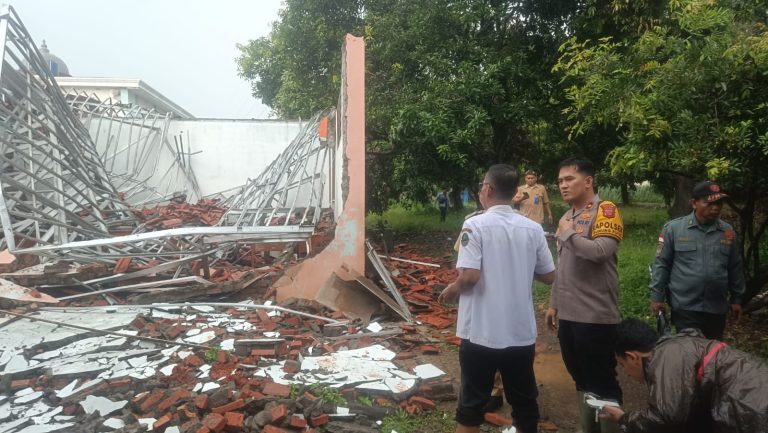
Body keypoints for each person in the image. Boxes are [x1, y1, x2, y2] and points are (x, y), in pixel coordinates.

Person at [439, 164, 556, 433]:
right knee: (525, 405)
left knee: (471, 407)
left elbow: (469, 276)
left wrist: (453, 289)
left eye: (482, 185)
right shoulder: (532, 228)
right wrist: (519, 267)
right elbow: (549, 275)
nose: (481, 189)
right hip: (520, 333)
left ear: (488, 189)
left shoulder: (475, 225)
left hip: (481, 332)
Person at [544, 156, 624, 433]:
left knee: (601, 378)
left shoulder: (606, 210)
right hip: (568, 313)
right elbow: (562, 265)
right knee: (579, 375)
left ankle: (610, 428)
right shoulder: (567, 217)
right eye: (560, 181)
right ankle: (587, 428)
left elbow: (601, 252)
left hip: (595, 314)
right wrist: (554, 303)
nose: (562, 186)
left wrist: (568, 235)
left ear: (588, 181)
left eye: (569, 179)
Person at [600, 318, 768, 433]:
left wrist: (623, 418)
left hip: (753, 408)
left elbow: (666, 417)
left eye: (623, 365)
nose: (627, 374)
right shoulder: (679, 346)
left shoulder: (665, 356)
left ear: (632, 357)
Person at [650, 181, 745, 340]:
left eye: (719, 203)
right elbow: (661, 263)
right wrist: (657, 297)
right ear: (694, 203)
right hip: (685, 306)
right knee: (689, 353)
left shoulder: (728, 232)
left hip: (716, 307)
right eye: (709, 203)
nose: (715, 208)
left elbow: (735, 266)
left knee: (712, 355)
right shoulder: (673, 229)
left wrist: (737, 299)